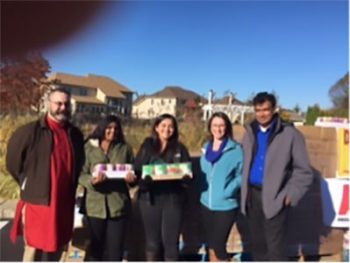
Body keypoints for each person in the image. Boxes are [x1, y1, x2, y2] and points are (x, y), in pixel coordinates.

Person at [6, 87, 85, 261]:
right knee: (33, 251)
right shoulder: (30, 132)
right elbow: (12, 162)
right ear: (49, 104)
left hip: (63, 203)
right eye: (58, 103)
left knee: (58, 249)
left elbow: (80, 163)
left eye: (66, 104)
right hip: (38, 203)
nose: (63, 108)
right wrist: (29, 183)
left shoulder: (75, 134)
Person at [240, 92, 314, 261]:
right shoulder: (249, 132)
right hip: (252, 197)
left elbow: (304, 171)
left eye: (266, 109)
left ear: (274, 109)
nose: (261, 114)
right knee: (257, 247)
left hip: (276, 198)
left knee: (275, 250)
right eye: (258, 110)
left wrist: (289, 196)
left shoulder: (290, 134)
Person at [134, 113, 191, 261]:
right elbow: (137, 170)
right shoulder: (147, 146)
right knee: (153, 243)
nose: (167, 129)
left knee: (171, 244)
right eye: (163, 126)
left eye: (171, 126)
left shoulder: (180, 149)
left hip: (173, 200)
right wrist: (143, 181)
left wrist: (185, 179)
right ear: (156, 127)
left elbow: (188, 174)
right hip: (149, 200)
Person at [78, 115, 135, 261]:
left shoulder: (124, 148)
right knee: (96, 250)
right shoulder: (88, 148)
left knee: (115, 252)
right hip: (95, 207)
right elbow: (80, 174)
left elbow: (133, 172)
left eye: (116, 128)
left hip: (118, 206)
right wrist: (92, 181)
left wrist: (132, 179)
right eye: (109, 128)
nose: (112, 131)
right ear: (102, 128)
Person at [199, 112, 243, 261]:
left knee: (218, 245)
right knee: (210, 245)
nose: (218, 129)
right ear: (210, 127)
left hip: (225, 205)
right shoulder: (206, 148)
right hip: (206, 204)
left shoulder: (236, 150)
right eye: (215, 125)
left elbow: (242, 174)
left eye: (222, 125)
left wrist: (229, 189)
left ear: (227, 127)